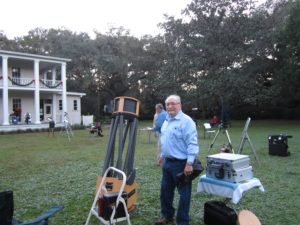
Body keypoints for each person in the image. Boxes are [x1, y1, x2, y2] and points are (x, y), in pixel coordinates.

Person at [155, 95, 199, 225]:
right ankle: (167, 215)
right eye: (167, 104)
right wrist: (162, 156)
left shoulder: (186, 121)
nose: (170, 106)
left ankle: (182, 221)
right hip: (168, 163)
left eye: (173, 103)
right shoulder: (166, 121)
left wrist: (189, 163)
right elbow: (165, 141)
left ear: (179, 105)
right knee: (165, 191)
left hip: (182, 164)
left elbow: (192, 143)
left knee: (184, 194)